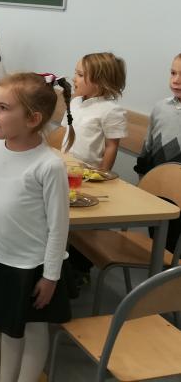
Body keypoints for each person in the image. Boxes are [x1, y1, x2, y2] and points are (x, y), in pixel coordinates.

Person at [0, 73, 74, 382]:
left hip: (34, 265)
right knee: (8, 327)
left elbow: (59, 228)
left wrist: (51, 276)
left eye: (3, 108)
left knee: (33, 329)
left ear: (32, 119)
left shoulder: (49, 165)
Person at [135, 53, 181, 252]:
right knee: (159, 244)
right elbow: (147, 146)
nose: (176, 80)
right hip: (157, 191)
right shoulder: (161, 108)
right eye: (173, 73)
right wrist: (143, 178)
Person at [62, 52, 127, 170]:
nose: (74, 78)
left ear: (100, 81)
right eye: (75, 73)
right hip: (64, 165)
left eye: (80, 75)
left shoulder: (111, 110)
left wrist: (102, 173)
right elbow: (64, 132)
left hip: (87, 172)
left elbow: (111, 147)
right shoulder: (74, 102)